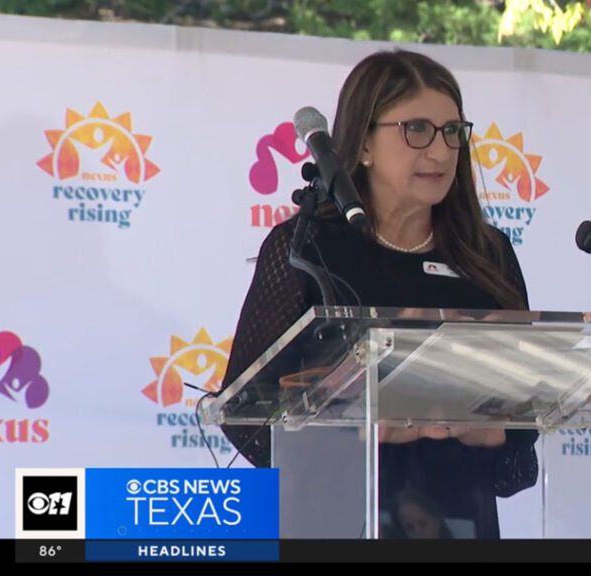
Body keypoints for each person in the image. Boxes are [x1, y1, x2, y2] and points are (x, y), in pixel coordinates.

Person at [220, 49, 539, 539]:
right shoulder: (307, 248)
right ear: (364, 143)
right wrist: (361, 430)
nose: (439, 151)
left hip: (460, 526)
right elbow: (246, 422)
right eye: (416, 130)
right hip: (331, 524)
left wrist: (490, 434)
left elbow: (516, 470)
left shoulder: (487, 254)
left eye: (452, 132)